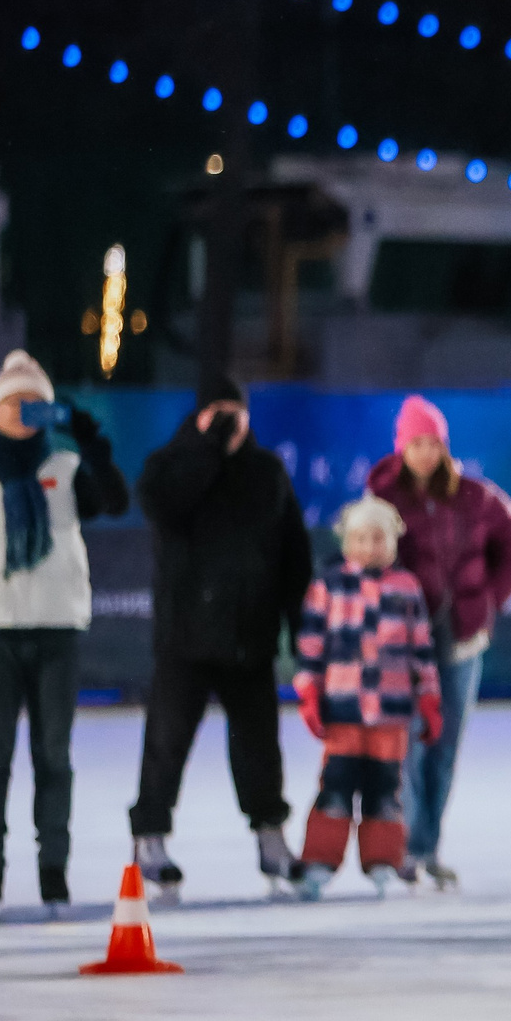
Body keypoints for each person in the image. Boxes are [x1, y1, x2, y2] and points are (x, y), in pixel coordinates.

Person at [0, 350, 128, 915]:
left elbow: (115, 502)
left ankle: (53, 874)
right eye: (14, 399)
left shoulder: (65, 467)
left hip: (58, 628)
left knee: (53, 756)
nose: (24, 409)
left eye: (35, 400)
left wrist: (93, 445)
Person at [128, 374, 314, 902]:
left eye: (238, 412)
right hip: (184, 639)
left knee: (259, 746)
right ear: (199, 417)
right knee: (167, 742)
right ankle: (151, 838)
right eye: (219, 413)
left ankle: (271, 838)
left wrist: (301, 631)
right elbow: (163, 506)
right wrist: (207, 448)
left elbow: (294, 556)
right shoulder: (170, 467)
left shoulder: (266, 472)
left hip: (249, 638)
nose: (231, 423)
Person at [365, 395, 511, 889]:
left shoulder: (476, 498)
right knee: (410, 745)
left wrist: (488, 604)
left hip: (460, 641)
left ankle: (427, 847)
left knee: (444, 747)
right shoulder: (382, 499)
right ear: (401, 446)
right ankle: (406, 846)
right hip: (403, 642)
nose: (424, 453)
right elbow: (364, 555)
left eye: (432, 443)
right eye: (415, 443)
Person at [290, 497, 442, 900]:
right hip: (343, 709)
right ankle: (319, 861)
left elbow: (421, 649)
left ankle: (383, 862)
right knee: (336, 786)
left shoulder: (406, 589)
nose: (369, 546)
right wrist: (308, 692)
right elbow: (310, 645)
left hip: (390, 714)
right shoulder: (328, 585)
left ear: (392, 542)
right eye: (359, 537)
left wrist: (428, 699)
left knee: (384, 790)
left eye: (378, 538)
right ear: (345, 541)